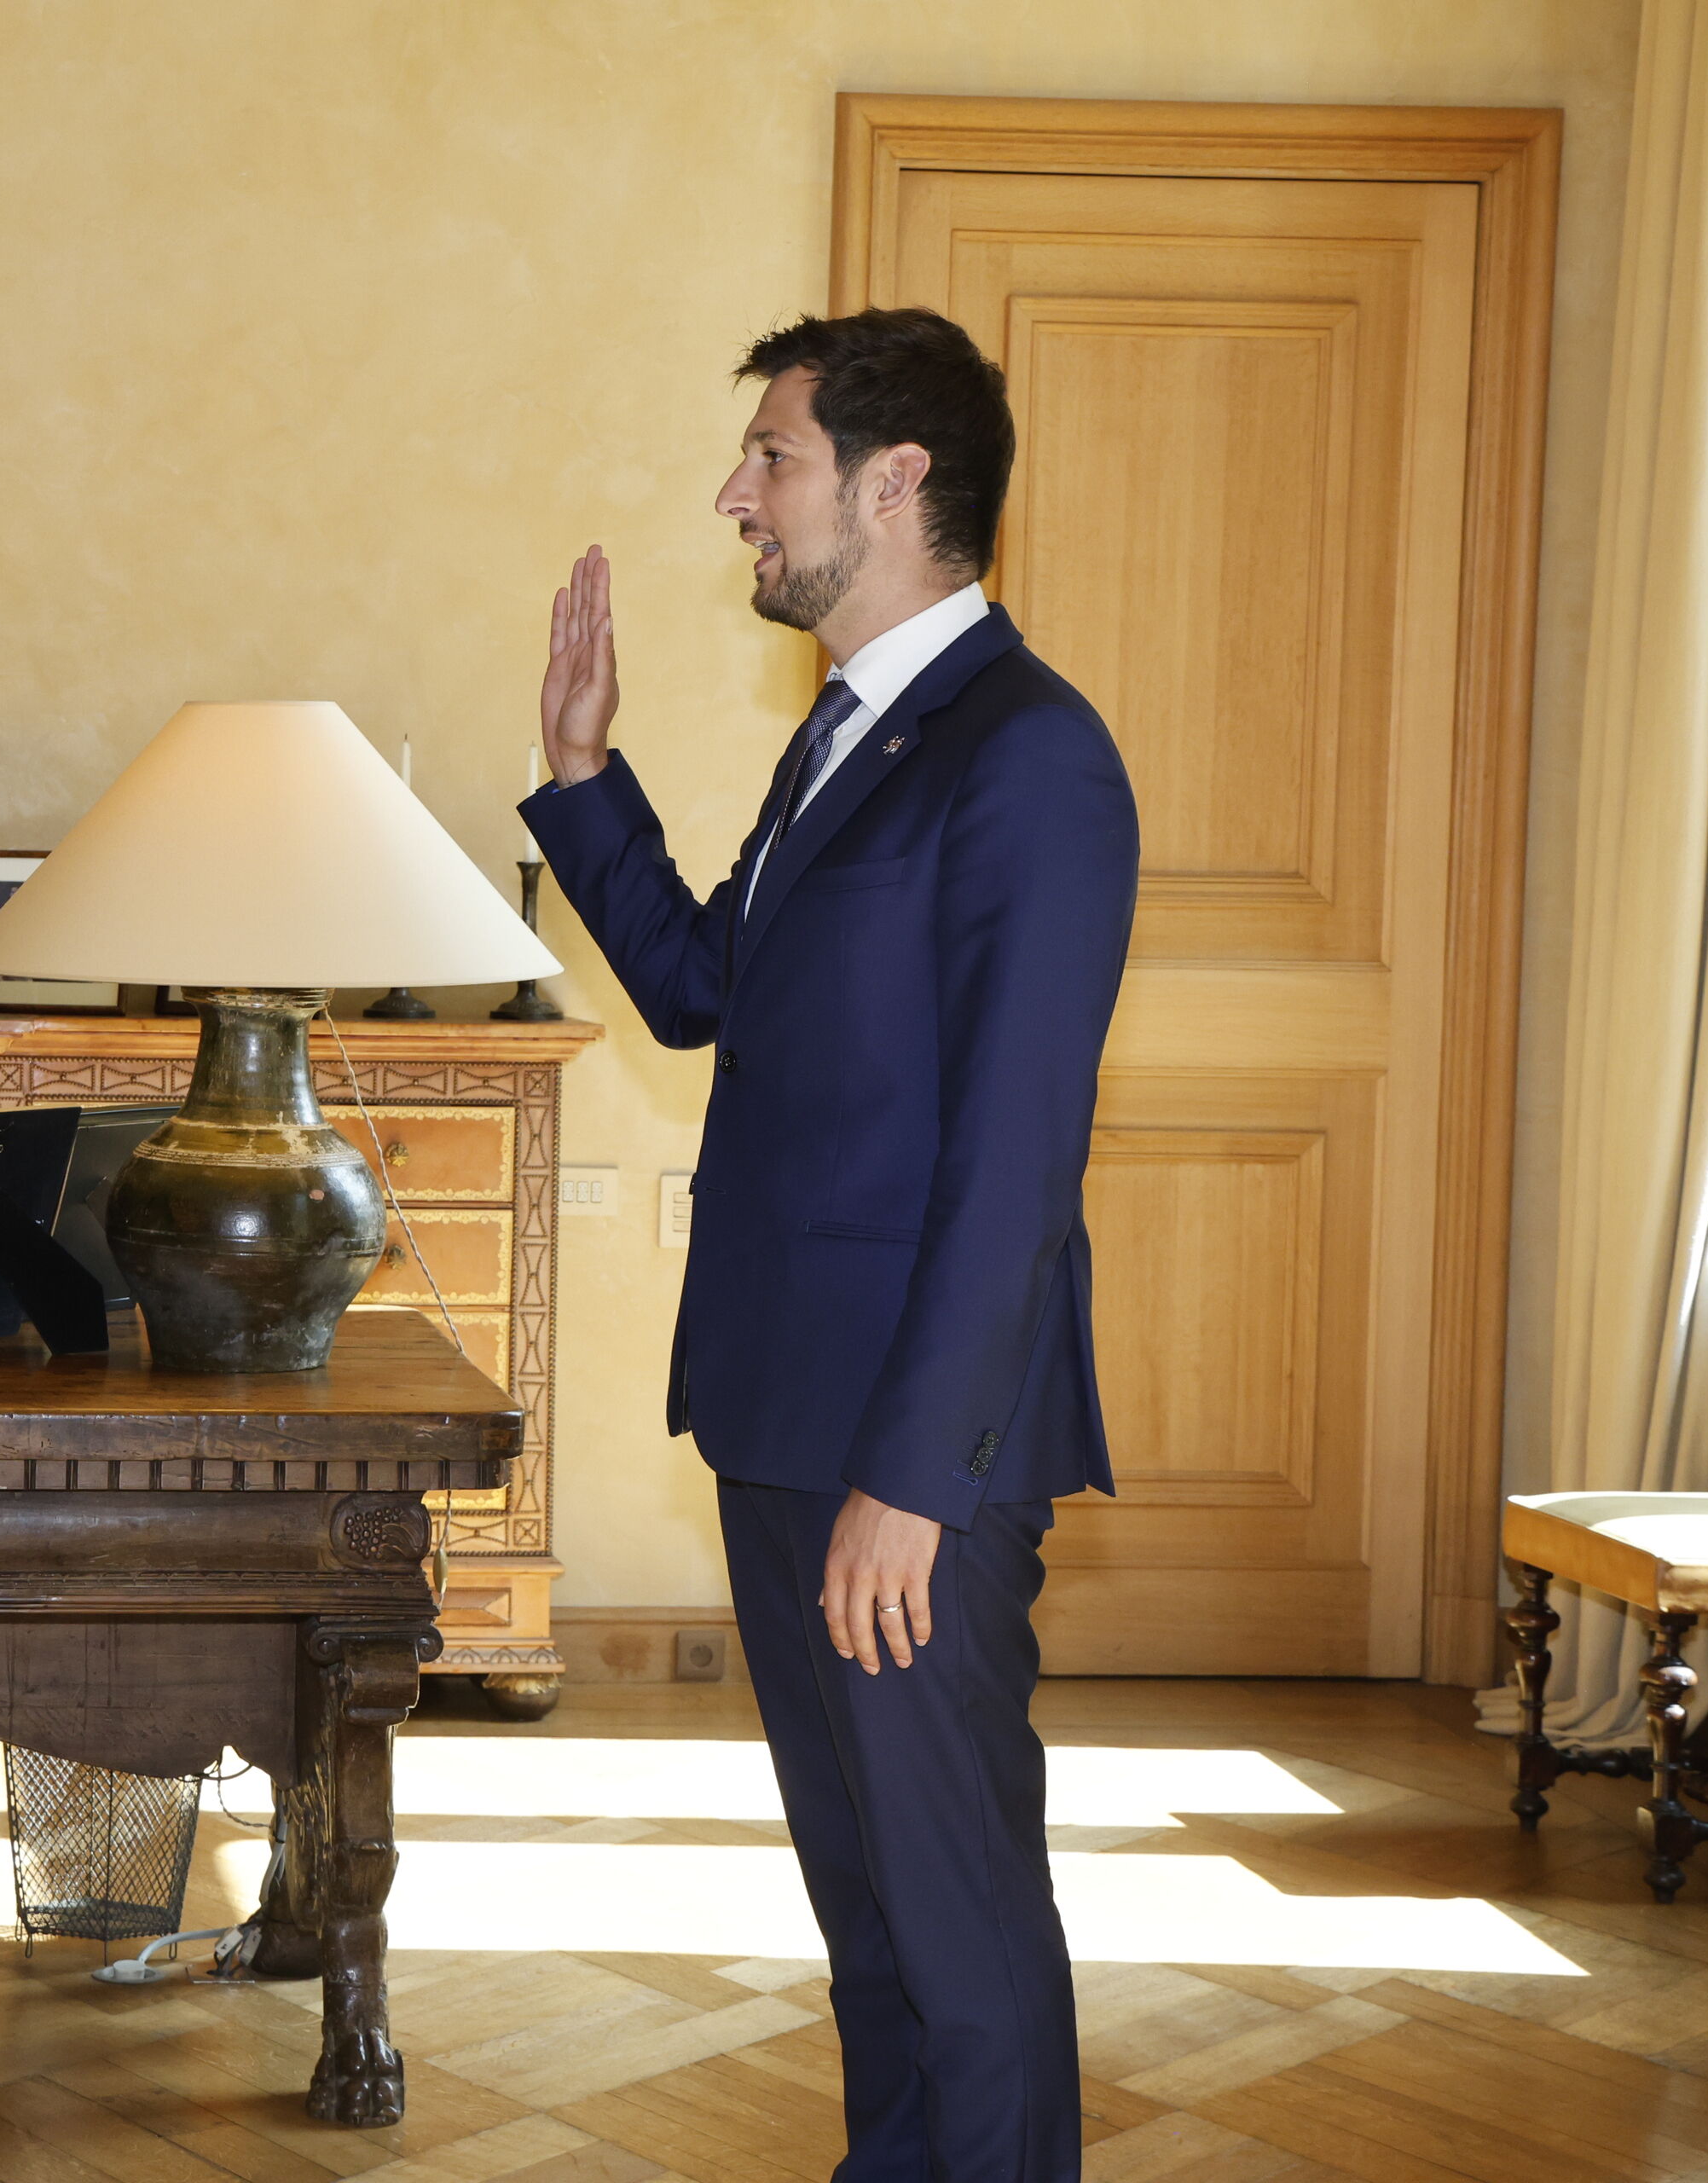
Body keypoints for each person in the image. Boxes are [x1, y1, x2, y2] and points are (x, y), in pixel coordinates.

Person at [519, 308, 1137, 2183]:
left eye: (771, 455)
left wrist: (914, 1479)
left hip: (910, 1455)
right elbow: (706, 990)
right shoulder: (845, 733)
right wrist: (582, 774)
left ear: (894, 482)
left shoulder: (1028, 754)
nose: (737, 493)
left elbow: (1014, 1162)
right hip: (785, 1415)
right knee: (867, 1910)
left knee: (957, 1915)